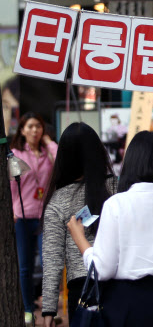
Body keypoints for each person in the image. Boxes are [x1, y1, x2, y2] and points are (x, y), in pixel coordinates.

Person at [67, 131, 153, 327]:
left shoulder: (116, 205)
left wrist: (81, 240)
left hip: (124, 305)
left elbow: (103, 270)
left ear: (130, 163)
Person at [41, 122, 117, 327]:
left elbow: (52, 261)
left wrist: (48, 311)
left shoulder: (57, 202)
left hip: (81, 292)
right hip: (119, 286)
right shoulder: (118, 189)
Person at [10, 112, 58, 325]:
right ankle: (28, 310)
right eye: (30, 126)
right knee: (24, 266)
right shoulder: (16, 153)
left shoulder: (48, 152)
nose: (34, 130)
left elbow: (61, 161)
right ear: (22, 130)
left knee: (49, 264)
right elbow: (11, 185)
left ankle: (49, 310)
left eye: (38, 126)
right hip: (21, 216)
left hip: (45, 217)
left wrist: (50, 141)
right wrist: (11, 210)